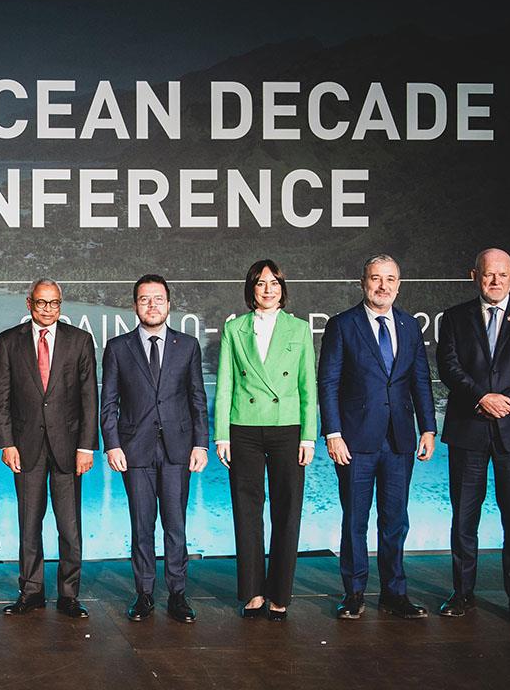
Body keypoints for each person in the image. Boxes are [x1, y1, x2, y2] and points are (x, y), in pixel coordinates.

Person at [436, 248, 510, 625]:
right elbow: (448, 366)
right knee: (463, 520)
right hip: (469, 430)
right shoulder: (455, 318)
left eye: (502, 275)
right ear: (475, 275)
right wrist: (481, 397)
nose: (495, 281)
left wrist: (508, 401)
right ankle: (462, 593)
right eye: (488, 274)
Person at [318, 254, 437, 621]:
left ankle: (394, 593)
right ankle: (354, 593)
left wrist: (429, 427)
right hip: (354, 441)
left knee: (395, 519)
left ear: (399, 284)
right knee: (355, 518)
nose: (382, 286)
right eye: (375, 278)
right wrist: (333, 433)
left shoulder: (409, 326)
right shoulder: (342, 325)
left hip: (400, 439)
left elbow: (419, 380)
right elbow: (330, 382)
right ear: (363, 283)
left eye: (390, 279)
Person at [101, 274, 209, 623]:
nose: (152, 305)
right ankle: (144, 594)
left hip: (179, 449)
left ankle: (177, 594)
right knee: (141, 526)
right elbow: (108, 403)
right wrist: (112, 444)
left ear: (168, 303)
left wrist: (201, 444)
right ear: (135, 305)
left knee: (175, 526)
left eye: (158, 299)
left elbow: (197, 399)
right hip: (135, 450)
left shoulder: (188, 345)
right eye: (145, 299)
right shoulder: (118, 348)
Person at [214, 259, 317, 621]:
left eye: (274, 283)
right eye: (260, 283)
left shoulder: (299, 329)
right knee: (247, 511)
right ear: (251, 290)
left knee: (287, 512)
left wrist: (309, 435)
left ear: (283, 289)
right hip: (244, 427)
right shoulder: (234, 330)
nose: (268, 289)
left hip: (287, 427)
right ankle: (253, 593)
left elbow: (308, 386)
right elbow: (225, 384)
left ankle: (280, 595)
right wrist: (221, 435)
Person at [0, 278, 98, 619]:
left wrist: (87, 447)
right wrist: (6, 442)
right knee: (29, 524)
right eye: (41, 303)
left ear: (61, 304)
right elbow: (1, 399)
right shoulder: (9, 341)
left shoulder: (79, 341)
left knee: (69, 527)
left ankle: (69, 595)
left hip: (69, 448)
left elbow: (88, 399)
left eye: (54, 303)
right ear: (29, 303)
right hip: (25, 448)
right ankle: (32, 591)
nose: (48, 309)